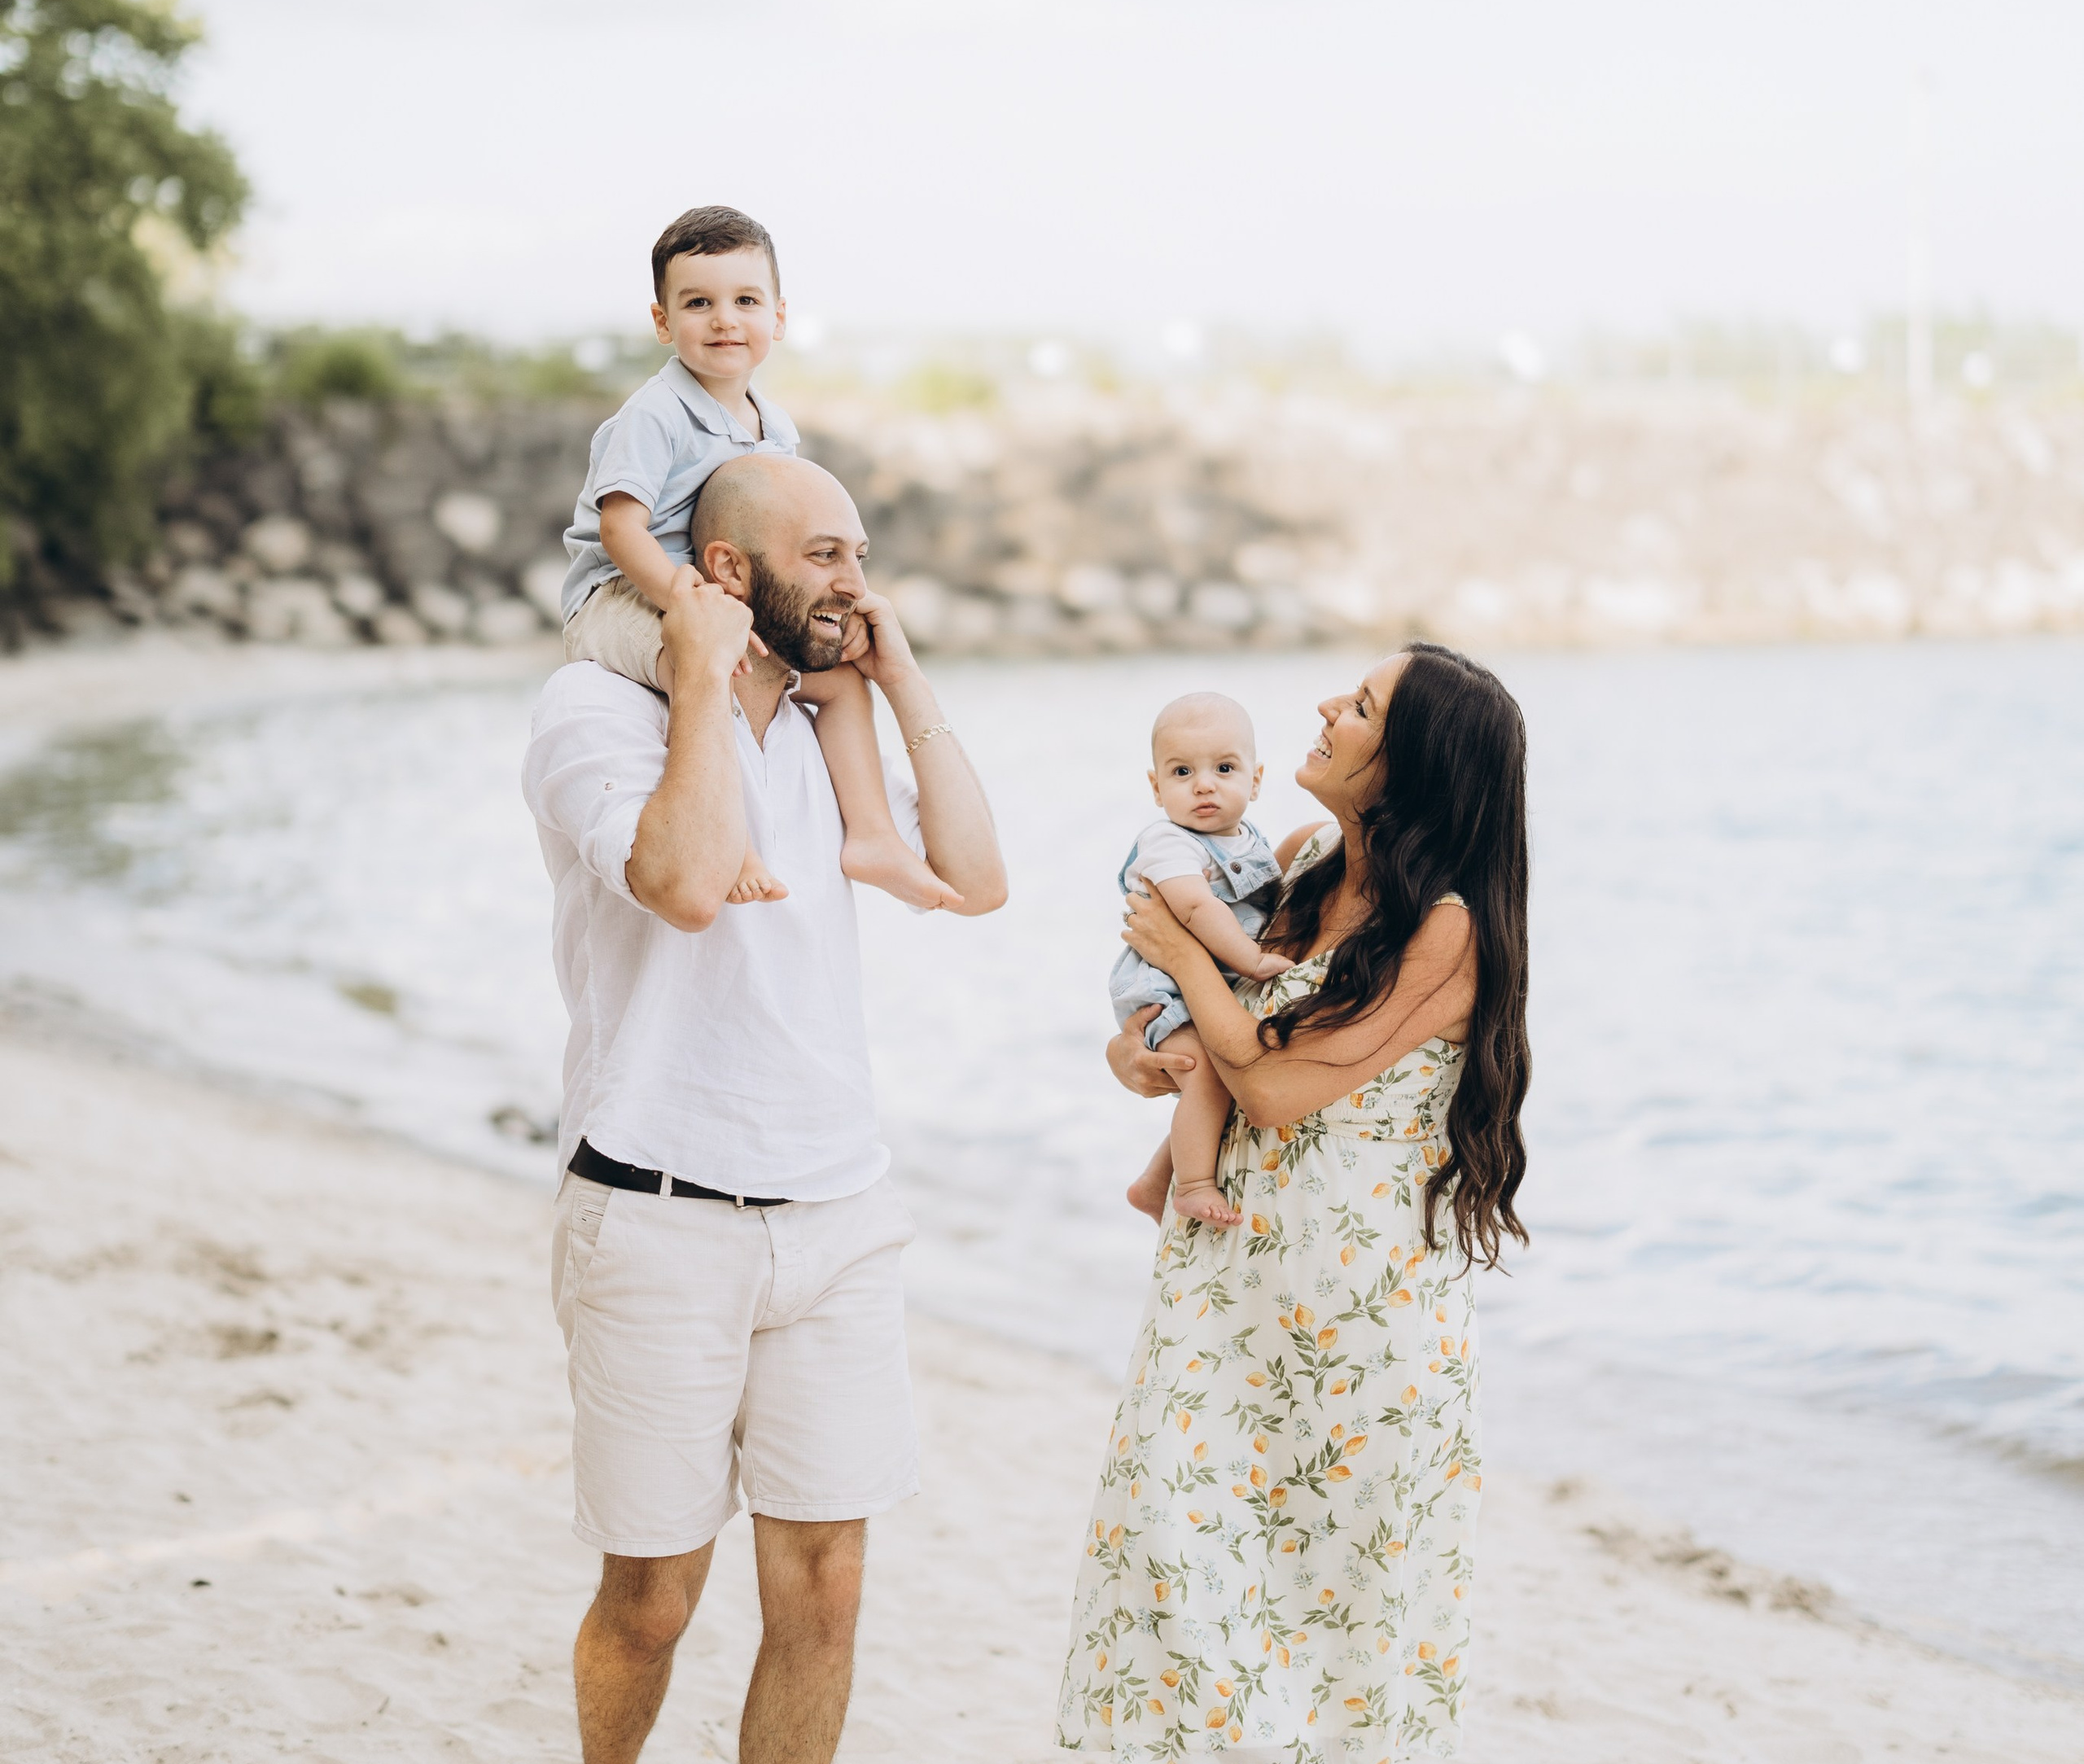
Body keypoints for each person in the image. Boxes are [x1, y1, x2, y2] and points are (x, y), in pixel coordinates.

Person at [522, 452, 1006, 1764]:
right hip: (658, 1213)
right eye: (827, 557)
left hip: (841, 1214)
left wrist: (900, 682)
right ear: (727, 572)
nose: (857, 582)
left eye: (859, 551)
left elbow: (972, 875)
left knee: (826, 1591)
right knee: (654, 1602)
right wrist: (700, 676)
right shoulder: (592, 711)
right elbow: (682, 882)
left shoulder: (825, 723)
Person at [1058, 643, 1530, 1763]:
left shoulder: (1448, 927)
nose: (1328, 705)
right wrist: (1139, 1049)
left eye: (1361, 705)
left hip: (1362, 1339)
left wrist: (1179, 945)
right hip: (1223, 1302)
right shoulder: (1302, 856)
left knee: (1336, 1657)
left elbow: (1270, 1086)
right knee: (1169, 1587)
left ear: (1409, 762)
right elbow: (1199, 1050)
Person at [559, 202, 960, 913]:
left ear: (778, 318)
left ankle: (871, 833)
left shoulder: (775, 425)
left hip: (719, 592)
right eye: (698, 303)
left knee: (834, 681)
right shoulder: (654, 415)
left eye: (746, 300)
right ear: (662, 321)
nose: (724, 320)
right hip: (624, 592)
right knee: (707, 667)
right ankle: (732, 836)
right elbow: (621, 530)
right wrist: (689, 603)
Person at [1109, 691, 1289, 1231]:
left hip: (1208, 981)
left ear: (1256, 781)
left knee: (1217, 1082)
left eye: (1225, 768)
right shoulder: (1167, 841)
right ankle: (1190, 1185)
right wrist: (1253, 961)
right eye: (1182, 771)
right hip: (1163, 988)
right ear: (1156, 787)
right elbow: (1193, 906)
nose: (1204, 784)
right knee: (1206, 1074)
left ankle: (1155, 1182)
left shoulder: (1252, 842)